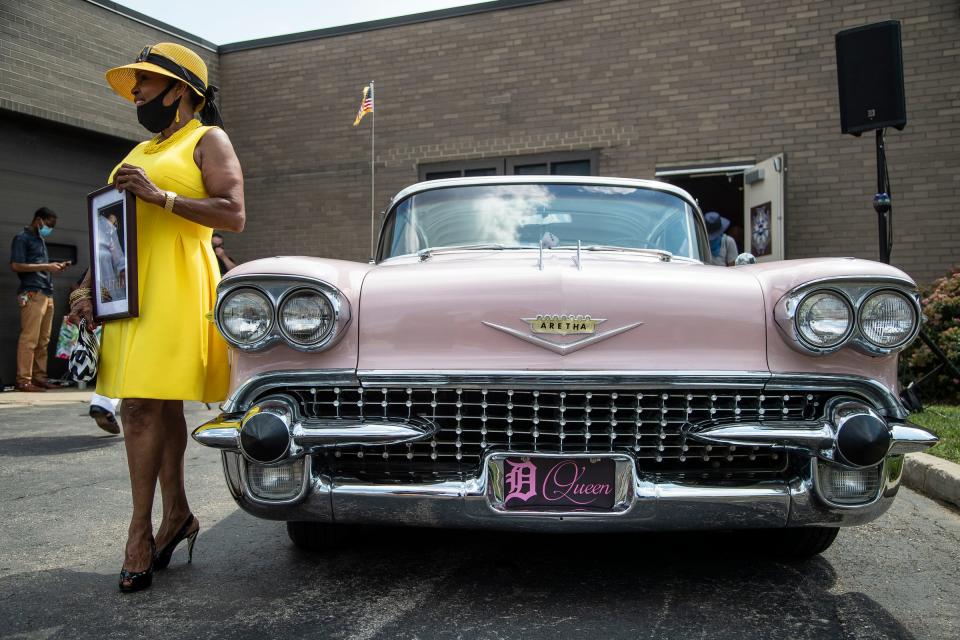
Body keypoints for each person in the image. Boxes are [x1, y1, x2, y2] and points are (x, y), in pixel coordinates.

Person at [69, 42, 245, 593]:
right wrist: (88, 288)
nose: (137, 93)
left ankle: (140, 532)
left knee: (143, 405)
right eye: (136, 84)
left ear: (181, 90)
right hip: (129, 292)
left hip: (178, 285)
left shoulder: (207, 139)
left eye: (145, 82)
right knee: (153, 403)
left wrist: (161, 196)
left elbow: (233, 213)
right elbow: (112, 230)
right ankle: (177, 517)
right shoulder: (136, 150)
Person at [10, 207, 70, 392]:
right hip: (32, 292)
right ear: (38, 220)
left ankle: (39, 377)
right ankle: (24, 380)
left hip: (46, 293)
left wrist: (54, 267)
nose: (49, 228)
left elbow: (38, 265)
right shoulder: (22, 238)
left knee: (43, 339)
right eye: (48, 224)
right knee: (30, 338)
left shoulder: (40, 239)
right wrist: (47, 266)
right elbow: (16, 265)